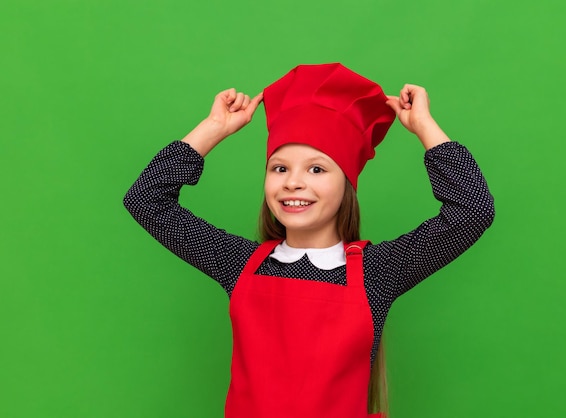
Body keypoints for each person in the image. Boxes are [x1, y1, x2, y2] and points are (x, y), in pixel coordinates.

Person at [123, 63, 495, 418]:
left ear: (346, 185)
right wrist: (213, 127)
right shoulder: (236, 262)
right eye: (279, 168)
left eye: (316, 168)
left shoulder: (378, 273)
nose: (292, 182)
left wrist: (425, 126)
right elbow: (145, 200)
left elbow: (473, 210)